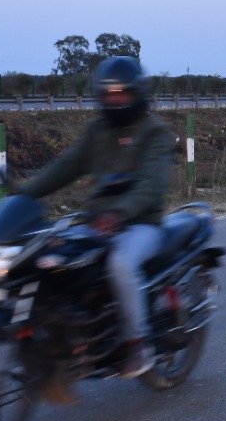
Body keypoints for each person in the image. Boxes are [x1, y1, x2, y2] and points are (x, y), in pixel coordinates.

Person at [15, 56, 171, 386]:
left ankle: (139, 343)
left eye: (122, 93)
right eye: (108, 94)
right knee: (56, 261)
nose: (115, 101)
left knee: (120, 264)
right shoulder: (97, 131)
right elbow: (66, 166)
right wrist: (24, 193)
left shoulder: (154, 132)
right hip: (97, 223)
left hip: (142, 224)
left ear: (137, 93)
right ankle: (77, 337)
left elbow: (152, 184)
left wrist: (120, 213)